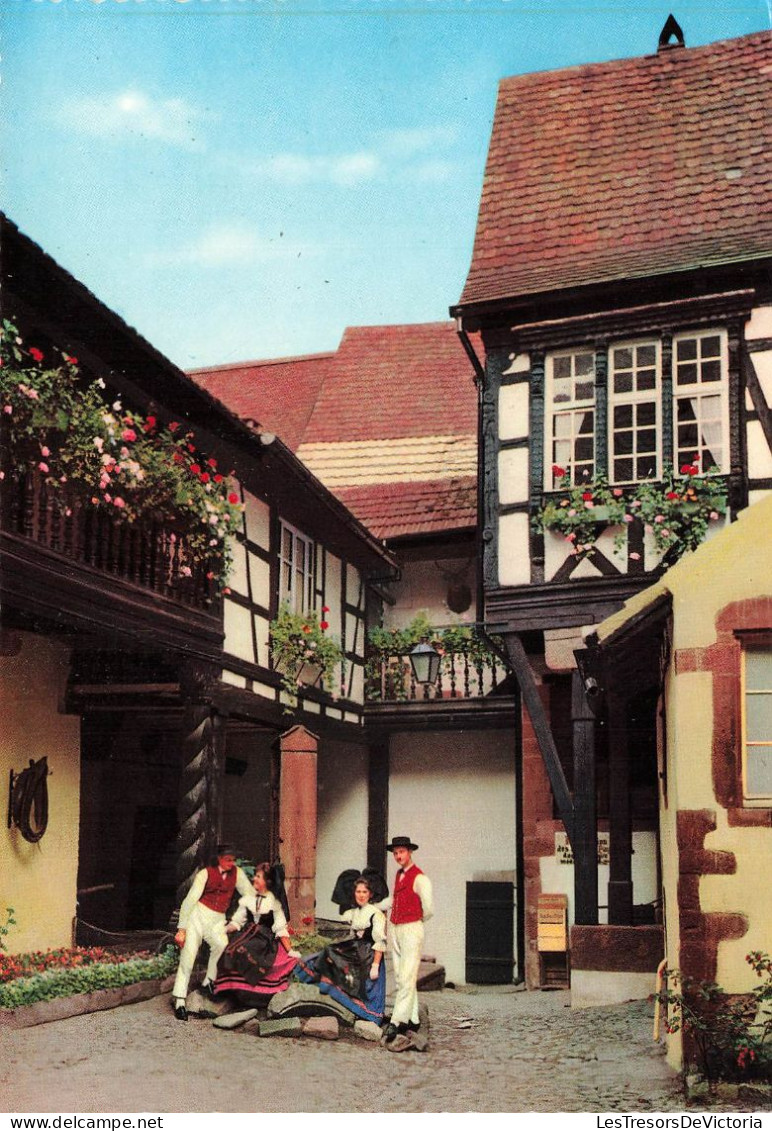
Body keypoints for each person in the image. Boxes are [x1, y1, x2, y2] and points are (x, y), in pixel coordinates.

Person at [172, 843, 253, 1021]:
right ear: (219, 859)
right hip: (198, 915)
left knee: (221, 944)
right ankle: (179, 1000)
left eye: (233, 860)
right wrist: (182, 929)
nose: (231, 863)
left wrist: (236, 921)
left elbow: (249, 895)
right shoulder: (205, 874)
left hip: (217, 919)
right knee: (188, 957)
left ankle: (209, 980)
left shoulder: (237, 874)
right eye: (227, 860)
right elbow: (189, 900)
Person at [295, 874, 387, 1024]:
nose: (361, 895)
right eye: (358, 892)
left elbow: (380, 942)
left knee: (367, 989)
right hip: (356, 951)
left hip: (369, 956)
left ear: (370, 894)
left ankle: (368, 1013)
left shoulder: (376, 914)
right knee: (327, 954)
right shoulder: (354, 913)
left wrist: (375, 966)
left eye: (364, 892)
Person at [214, 861, 300, 1001]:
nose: (254, 879)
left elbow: (280, 929)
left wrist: (290, 950)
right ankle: (229, 989)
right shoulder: (247, 900)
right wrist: (223, 929)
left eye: (258, 876)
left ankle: (256, 992)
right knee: (229, 948)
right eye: (255, 876)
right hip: (246, 933)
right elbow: (237, 922)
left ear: (267, 881)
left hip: (264, 939)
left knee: (245, 949)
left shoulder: (274, 904)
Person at [381, 835, 432, 1048]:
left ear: (410, 852)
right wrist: (376, 906)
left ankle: (397, 1021)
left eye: (401, 852)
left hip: (411, 928)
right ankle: (414, 1019)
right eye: (395, 853)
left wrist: (413, 921)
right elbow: (394, 900)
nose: (398, 856)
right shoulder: (399, 876)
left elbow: (428, 909)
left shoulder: (420, 878)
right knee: (402, 976)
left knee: (408, 974)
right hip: (397, 927)